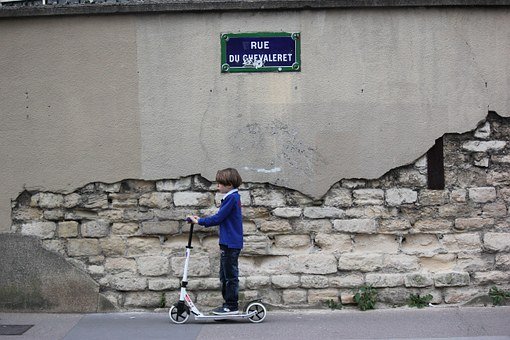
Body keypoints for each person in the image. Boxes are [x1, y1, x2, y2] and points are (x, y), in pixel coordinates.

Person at [187, 168, 243, 315]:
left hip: (230, 243)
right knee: (224, 276)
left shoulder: (232, 198)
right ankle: (228, 304)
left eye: (220, 183)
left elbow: (218, 218)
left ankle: (231, 306)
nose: (217, 186)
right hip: (227, 242)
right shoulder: (231, 197)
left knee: (230, 276)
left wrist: (200, 221)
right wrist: (200, 220)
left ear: (229, 184)